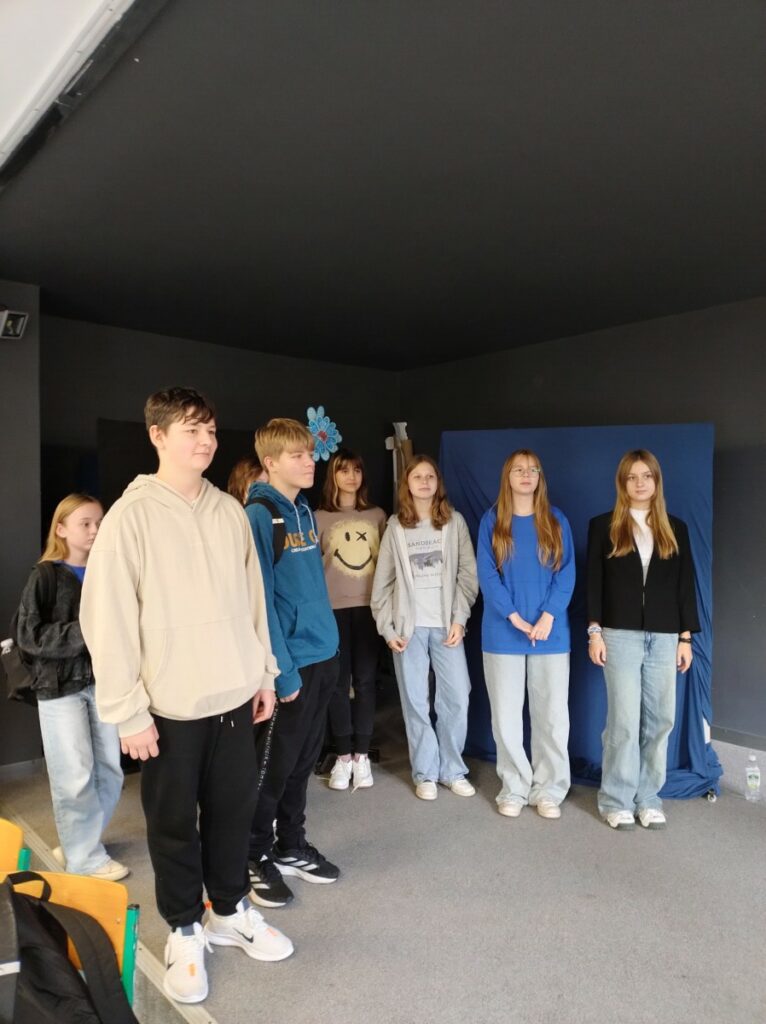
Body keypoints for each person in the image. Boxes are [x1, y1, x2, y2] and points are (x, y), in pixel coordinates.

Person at [80, 387, 292, 1006]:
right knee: (173, 825)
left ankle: (227, 911)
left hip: (233, 697)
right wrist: (127, 711)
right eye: (191, 430)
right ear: (158, 435)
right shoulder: (131, 516)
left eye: (211, 430)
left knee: (232, 814)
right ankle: (183, 930)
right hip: (168, 709)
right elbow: (107, 620)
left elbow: (252, 601)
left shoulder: (229, 511)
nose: (205, 441)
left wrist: (263, 673)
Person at [245, 418, 341, 909]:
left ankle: (290, 844)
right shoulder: (260, 515)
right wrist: (281, 672)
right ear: (271, 462)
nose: (310, 462)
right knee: (273, 769)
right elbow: (259, 601)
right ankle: (251, 853)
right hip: (293, 667)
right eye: (297, 455)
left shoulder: (302, 509)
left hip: (324, 656)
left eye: (310, 453)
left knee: (302, 764)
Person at [587, 448, 699, 831]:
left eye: (646, 476)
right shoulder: (603, 525)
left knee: (661, 718)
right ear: (623, 482)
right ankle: (616, 800)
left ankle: (648, 798)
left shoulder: (675, 528)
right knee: (623, 720)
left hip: (666, 636)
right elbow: (594, 584)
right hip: (619, 634)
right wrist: (595, 631)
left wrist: (686, 638)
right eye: (632, 477)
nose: (640, 483)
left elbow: (685, 586)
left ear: (656, 481)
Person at [16, 494, 127, 880]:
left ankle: (79, 841)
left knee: (110, 771)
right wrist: (89, 631)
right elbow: (30, 636)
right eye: (86, 523)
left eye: (99, 522)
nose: (95, 529)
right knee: (74, 775)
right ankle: (85, 859)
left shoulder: (108, 571)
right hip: (58, 688)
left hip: (105, 684)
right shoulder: (44, 576)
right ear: (61, 529)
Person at [371, 454, 478, 801]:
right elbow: (382, 585)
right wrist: (388, 630)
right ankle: (425, 772)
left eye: (430, 476)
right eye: (417, 477)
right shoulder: (395, 527)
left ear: (438, 483)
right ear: (407, 484)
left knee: (457, 698)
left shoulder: (455, 522)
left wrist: (459, 619)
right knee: (416, 702)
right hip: (409, 630)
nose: (425, 482)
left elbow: (468, 576)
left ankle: (452, 770)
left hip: (447, 626)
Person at [477, 450, 575, 820]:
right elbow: (487, 574)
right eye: (519, 469)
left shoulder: (556, 520)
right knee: (506, 718)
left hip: (551, 633)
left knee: (552, 716)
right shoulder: (492, 521)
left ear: (540, 477)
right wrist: (514, 617)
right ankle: (514, 787)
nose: (526, 474)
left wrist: (548, 615)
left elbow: (566, 573)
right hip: (503, 633)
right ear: (508, 476)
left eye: (533, 469)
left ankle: (549, 789)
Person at [315, 449, 386, 791]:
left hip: (370, 608)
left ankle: (362, 756)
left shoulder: (377, 516)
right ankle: (343, 757)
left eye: (357, 470)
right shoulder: (318, 518)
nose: (351, 476)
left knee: (367, 682)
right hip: (332, 610)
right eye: (344, 470)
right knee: (338, 684)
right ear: (333, 475)